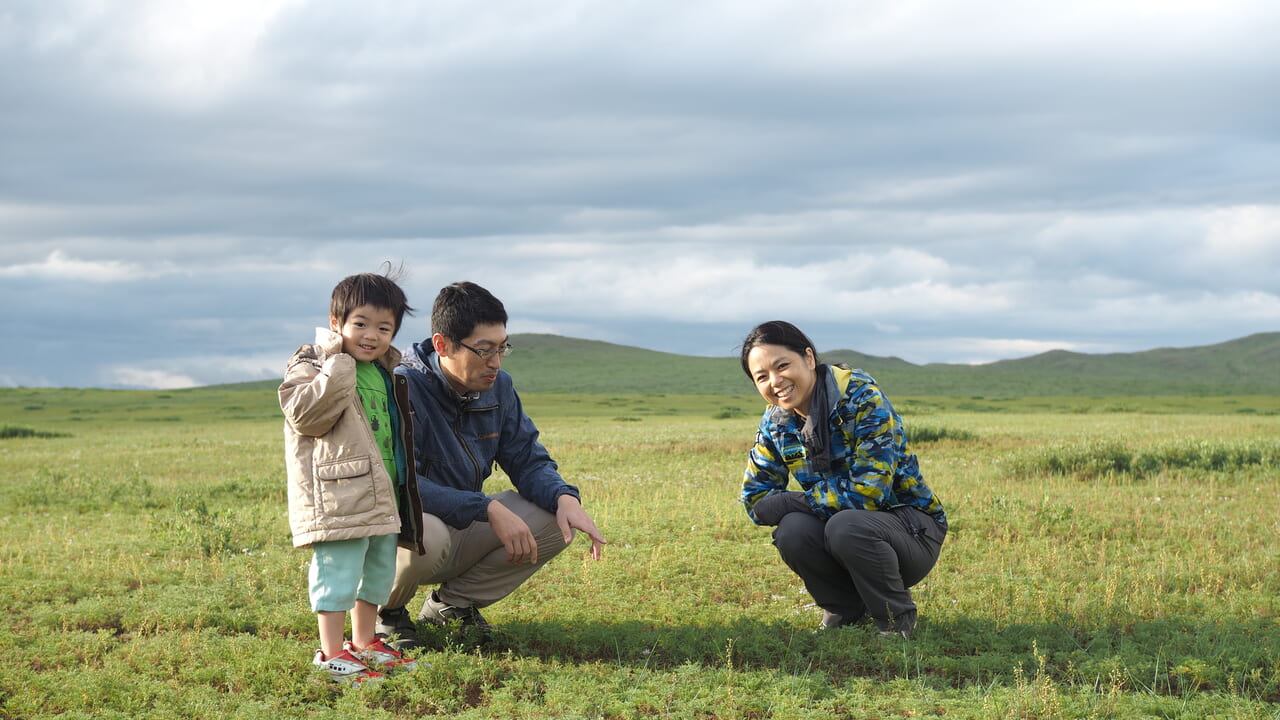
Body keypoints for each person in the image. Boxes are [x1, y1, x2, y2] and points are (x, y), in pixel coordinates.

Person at [376, 281, 606, 648]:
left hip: (462, 524)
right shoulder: (400, 386)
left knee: (551, 517)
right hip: (403, 531)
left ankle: (450, 606)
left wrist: (565, 498)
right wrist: (486, 507)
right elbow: (401, 484)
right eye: (484, 351)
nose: (495, 363)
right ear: (442, 345)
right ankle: (386, 612)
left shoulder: (499, 387)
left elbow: (527, 458)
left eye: (502, 349)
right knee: (426, 533)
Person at [738, 320, 947, 638]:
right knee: (793, 530)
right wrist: (787, 506)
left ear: (808, 358)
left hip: (910, 530)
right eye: (762, 377)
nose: (776, 381)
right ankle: (844, 611)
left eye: (783, 366)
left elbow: (867, 494)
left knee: (844, 524)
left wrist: (795, 500)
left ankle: (895, 621)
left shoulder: (862, 398)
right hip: (845, 535)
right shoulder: (777, 421)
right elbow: (756, 499)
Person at [279, 269, 425, 683]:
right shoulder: (313, 363)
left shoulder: (385, 372)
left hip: (382, 489)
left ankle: (365, 644)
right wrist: (337, 361)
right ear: (335, 322)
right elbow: (307, 415)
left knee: (378, 570)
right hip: (339, 493)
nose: (371, 335)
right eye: (360, 323)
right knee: (338, 570)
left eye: (384, 327)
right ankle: (330, 655)